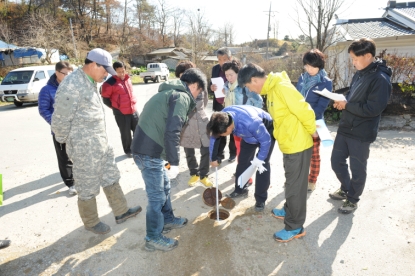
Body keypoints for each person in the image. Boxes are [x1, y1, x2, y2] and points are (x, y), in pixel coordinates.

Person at [51, 48, 142, 235]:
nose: (106, 74)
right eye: (104, 70)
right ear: (93, 64)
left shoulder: (90, 81)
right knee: (86, 185)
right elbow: (59, 120)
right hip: (84, 148)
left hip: (100, 143)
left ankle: (121, 211)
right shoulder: (72, 85)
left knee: (111, 176)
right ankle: (91, 222)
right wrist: (67, 145)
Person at [238, 63, 316, 243]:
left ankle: (295, 226)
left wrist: (313, 130)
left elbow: (303, 108)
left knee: (296, 187)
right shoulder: (271, 90)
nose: (251, 90)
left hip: (298, 143)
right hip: (289, 143)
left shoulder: (281, 87)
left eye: (250, 86)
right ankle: (289, 209)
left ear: (255, 80)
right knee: (291, 181)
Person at [131, 68, 207, 252]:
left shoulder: (168, 93)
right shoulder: (181, 97)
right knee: (156, 196)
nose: (198, 97)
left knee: (164, 188)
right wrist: (174, 162)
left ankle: (168, 220)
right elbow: (173, 130)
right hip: (149, 152)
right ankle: (153, 237)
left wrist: (167, 160)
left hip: (149, 149)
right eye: (199, 92)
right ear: (195, 86)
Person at [329, 38, 391, 214]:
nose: (353, 62)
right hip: (346, 126)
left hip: (362, 132)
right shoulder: (361, 73)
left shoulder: (380, 79)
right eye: (352, 59)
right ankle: (346, 188)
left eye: (355, 59)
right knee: (336, 162)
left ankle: (352, 199)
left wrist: (347, 105)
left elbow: (373, 109)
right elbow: (354, 95)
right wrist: (342, 100)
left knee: (357, 168)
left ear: (369, 56)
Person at [207, 105, 275, 212]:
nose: (220, 135)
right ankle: (240, 189)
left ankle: (260, 199)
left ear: (229, 128)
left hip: (266, 132)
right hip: (248, 136)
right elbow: (214, 137)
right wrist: (213, 158)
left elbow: (265, 141)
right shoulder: (221, 118)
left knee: (263, 165)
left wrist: (259, 159)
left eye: (222, 134)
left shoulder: (252, 122)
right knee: (243, 162)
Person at [296, 49, 332, 192]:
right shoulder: (302, 78)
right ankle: (298, 179)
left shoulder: (326, 82)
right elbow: (296, 98)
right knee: (298, 152)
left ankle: (312, 180)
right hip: (298, 121)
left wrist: (308, 120)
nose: (309, 69)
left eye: (312, 66)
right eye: (307, 66)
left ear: (320, 65)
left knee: (314, 154)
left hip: (315, 122)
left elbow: (321, 106)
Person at [38, 61, 76, 195]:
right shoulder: (47, 90)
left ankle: (82, 179)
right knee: (64, 158)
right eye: (64, 73)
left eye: (69, 73)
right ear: (56, 73)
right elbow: (43, 109)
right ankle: (71, 183)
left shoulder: (73, 87)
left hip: (77, 129)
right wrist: (56, 123)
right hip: (60, 131)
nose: (67, 76)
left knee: (78, 155)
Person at [176, 61, 213, 188]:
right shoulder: (178, 91)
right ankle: (194, 173)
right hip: (187, 124)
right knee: (188, 150)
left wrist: (199, 113)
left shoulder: (201, 87)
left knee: (206, 149)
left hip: (202, 122)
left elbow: (206, 101)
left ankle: (204, 175)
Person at [222, 60, 263, 165]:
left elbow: (259, 101)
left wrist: (253, 117)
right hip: (234, 123)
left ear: (238, 73)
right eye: (226, 75)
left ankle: (246, 176)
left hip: (246, 124)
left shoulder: (245, 87)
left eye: (231, 75)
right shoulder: (227, 87)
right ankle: (241, 169)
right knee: (238, 147)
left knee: (245, 151)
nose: (229, 78)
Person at [101, 61, 139, 158]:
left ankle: (139, 148)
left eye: (123, 71)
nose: (122, 74)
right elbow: (105, 99)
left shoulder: (128, 79)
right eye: (119, 72)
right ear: (114, 71)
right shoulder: (109, 83)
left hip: (133, 110)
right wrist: (116, 107)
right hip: (121, 112)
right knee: (125, 133)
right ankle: (128, 150)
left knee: (139, 129)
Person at [210, 47, 236, 162]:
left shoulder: (235, 69)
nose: (221, 62)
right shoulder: (215, 69)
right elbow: (211, 84)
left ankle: (233, 153)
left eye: (224, 59)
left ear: (230, 58)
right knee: (220, 130)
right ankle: (220, 154)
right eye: (219, 59)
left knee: (233, 130)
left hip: (233, 104)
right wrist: (211, 88)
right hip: (220, 104)